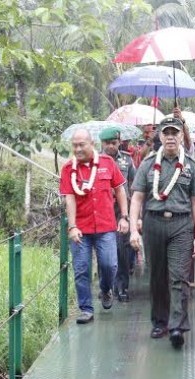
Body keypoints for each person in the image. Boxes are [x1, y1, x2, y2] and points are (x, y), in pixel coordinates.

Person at [128, 116, 195, 348]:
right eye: (166, 132)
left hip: (181, 226)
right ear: (160, 136)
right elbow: (137, 198)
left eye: (175, 132)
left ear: (181, 136)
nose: (170, 136)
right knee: (157, 277)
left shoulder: (191, 165)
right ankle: (160, 322)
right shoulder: (148, 164)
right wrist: (134, 229)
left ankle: (177, 326)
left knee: (179, 276)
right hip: (153, 223)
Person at [60, 128, 130, 324]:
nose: (78, 149)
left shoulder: (108, 163)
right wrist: (72, 226)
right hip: (81, 228)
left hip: (106, 226)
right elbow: (70, 199)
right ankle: (86, 309)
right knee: (81, 268)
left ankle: (106, 289)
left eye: (82, 144)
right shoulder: (68, 169)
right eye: (75, 145)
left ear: (92, 144)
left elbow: (120, 190)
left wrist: (124, 217)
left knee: (109, 265)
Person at [99, 127, 136, 302]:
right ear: (102, 143)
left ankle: (122, 288)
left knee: (122, 250)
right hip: (101, 211)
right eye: (107, 143)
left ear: (119, 142)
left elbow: (134, 187)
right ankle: (106, 287)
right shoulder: (94, 161)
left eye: (114, 143)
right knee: (103, 252)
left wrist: (134, 216)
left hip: (122, 212)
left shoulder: (127, 161)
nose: (111, 146)